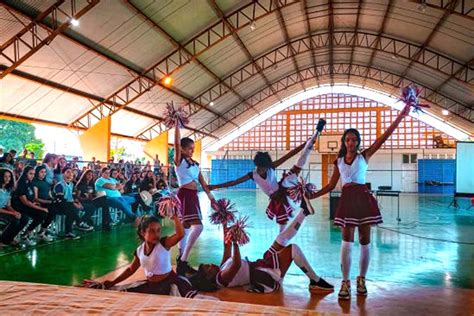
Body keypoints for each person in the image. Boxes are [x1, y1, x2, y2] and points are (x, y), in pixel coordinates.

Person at [307, 103, 411, 300]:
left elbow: (384, 136)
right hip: (347, 201)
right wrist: (312, 195)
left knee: (365, 241)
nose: (351, 142)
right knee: (346, 242)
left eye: (354, 139)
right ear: (344, 142)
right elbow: (330, 186)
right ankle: (345, 282)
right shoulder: (338, 162)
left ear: (358, 142)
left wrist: (401, 116)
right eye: (348, 139)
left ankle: (361, 279)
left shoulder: (365, 156)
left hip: (363, 198)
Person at [190, 196, 333, 294]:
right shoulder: (221, 279)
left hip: (261, 265)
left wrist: (224, 221)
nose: (210, 264)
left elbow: (226, 246)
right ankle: (315, 281)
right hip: (266, 276)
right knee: (293, 249)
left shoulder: (220, 269)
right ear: (209, 277)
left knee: (281, 239)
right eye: (208, 267)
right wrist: (235, 241)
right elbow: (236, 264)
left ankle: (304, 212)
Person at [209, 122, 324, 231]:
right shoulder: (252, 175)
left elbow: (289, 155)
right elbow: (234, 182)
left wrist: (304, 145)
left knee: (297, 167)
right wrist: (214, 186)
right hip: (276, 198)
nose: (261, 170)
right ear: (256, 165)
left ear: (266, 166)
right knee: (282, 222)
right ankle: (281, 242)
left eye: (263, 168)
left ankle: (316, 134)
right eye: (259, 167)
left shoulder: (271, 167)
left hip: (284, 189)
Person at [97, 215, 198, 298]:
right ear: (143, 233)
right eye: (152, 231)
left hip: (170, 284)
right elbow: (131, 270)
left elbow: (180, 235)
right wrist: (113, 282)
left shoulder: (164, 243)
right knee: (121, 295)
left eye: (158, 230)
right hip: (152, 285)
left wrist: (175, 217)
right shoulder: (139, 250)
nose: (156, 234)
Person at [173, 123, 216, 276]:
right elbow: (176, 144)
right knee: (198, 228)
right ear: (183, 149)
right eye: (189, 148)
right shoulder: (179, 162)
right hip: (184, 195)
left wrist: (212, 199)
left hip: (193, 196)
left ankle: (181, 261)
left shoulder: (196, 164)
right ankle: (183, 261)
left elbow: (203, 184)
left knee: (185, 229)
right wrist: (177, 125)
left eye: (193, 149)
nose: (192, 151)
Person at [11, 165, 49, 246]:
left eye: (33, 174)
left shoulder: (29, 183)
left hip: (27, 205)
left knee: (43, 214)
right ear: (25, 174)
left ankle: (25, 234)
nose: (32, 175)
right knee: (27, 218)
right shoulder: (21, 184)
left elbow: (31, 197)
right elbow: (25, 202)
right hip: (19, 206)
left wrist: (34, 202)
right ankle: (13, 236)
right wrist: (40, 208)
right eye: (30, 174)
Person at [53, 167, 94, 239]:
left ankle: (70, 231)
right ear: (63, 174)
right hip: (59, 205)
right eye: (68, 172)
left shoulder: (71, 184)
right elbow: (61, 200)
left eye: (71, 172)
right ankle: (78, 224)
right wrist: (74, 204)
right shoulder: (60, 185)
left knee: (72, 209)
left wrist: (78, 202)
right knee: (71, 209)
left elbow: (73, 196)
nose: (70, 174)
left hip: (68, 204)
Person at [0, 168, 28, 248]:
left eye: (9, 176)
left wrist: (15, 212)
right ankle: (2, 240)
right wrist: (12, 213)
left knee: (24, 218)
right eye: (5, 176)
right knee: (14, 220)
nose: (8, 178)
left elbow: (8, 205)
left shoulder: (8, 190)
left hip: (4, 210)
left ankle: (10, 238)